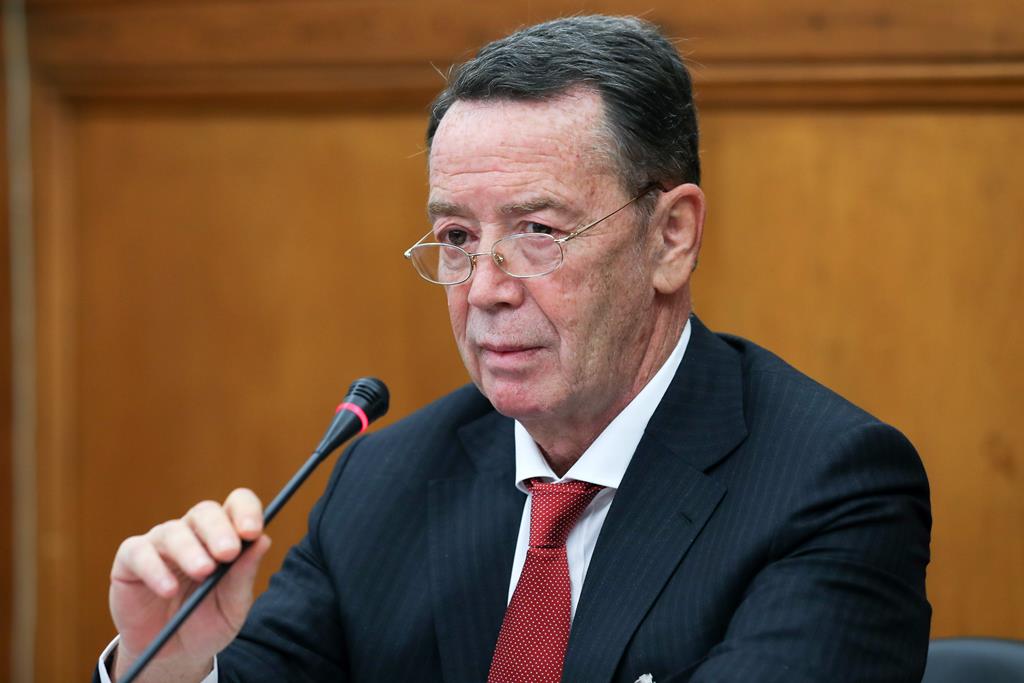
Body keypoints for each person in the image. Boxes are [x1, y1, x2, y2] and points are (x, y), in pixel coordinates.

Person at [97, 15, 931, 683]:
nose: (484, 288)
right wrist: (172, 663)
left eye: (537, 230)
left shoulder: (828, 487)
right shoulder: (382, 483)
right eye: (457, 237)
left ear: (671, 236)